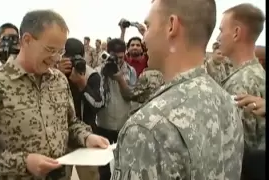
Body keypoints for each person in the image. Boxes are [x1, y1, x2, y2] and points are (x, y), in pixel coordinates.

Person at [0, 9, 109, 180]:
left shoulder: (59, 80)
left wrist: (87, 137)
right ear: (27, 40)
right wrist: (24, 162)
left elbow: (70, 124)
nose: (56, 58)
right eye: (50, 49)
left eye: (60, 51)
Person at [111, 0, 244, 180]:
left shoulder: (147, 128)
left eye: (148, 26)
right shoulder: (227, 100)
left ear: (171, 26)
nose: (144, 39)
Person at [218, 3, 266, 150]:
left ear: (236, 33)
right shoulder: (256, 73)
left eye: (221, 30)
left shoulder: (241, 84)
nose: (218, 37)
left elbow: (236, 151)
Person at [58, 38, 103, 180]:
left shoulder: (92, 75)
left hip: (85, 136)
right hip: (61, 137)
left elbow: (99, 104)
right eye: (69, 57)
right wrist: (58, 74)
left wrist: (83, 86)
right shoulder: (53, 74)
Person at [95, 38, 137, 180]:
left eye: (121, 57)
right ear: (109, 54)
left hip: (123, 125)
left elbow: (130, 96)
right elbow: (97, 97)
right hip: (103, 125)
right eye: (115, 57)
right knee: (104, 170)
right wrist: (103, 73)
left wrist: (120, 79)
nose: (118, 61)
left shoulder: (131, 72)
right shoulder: (99, 70)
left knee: (122, 167)